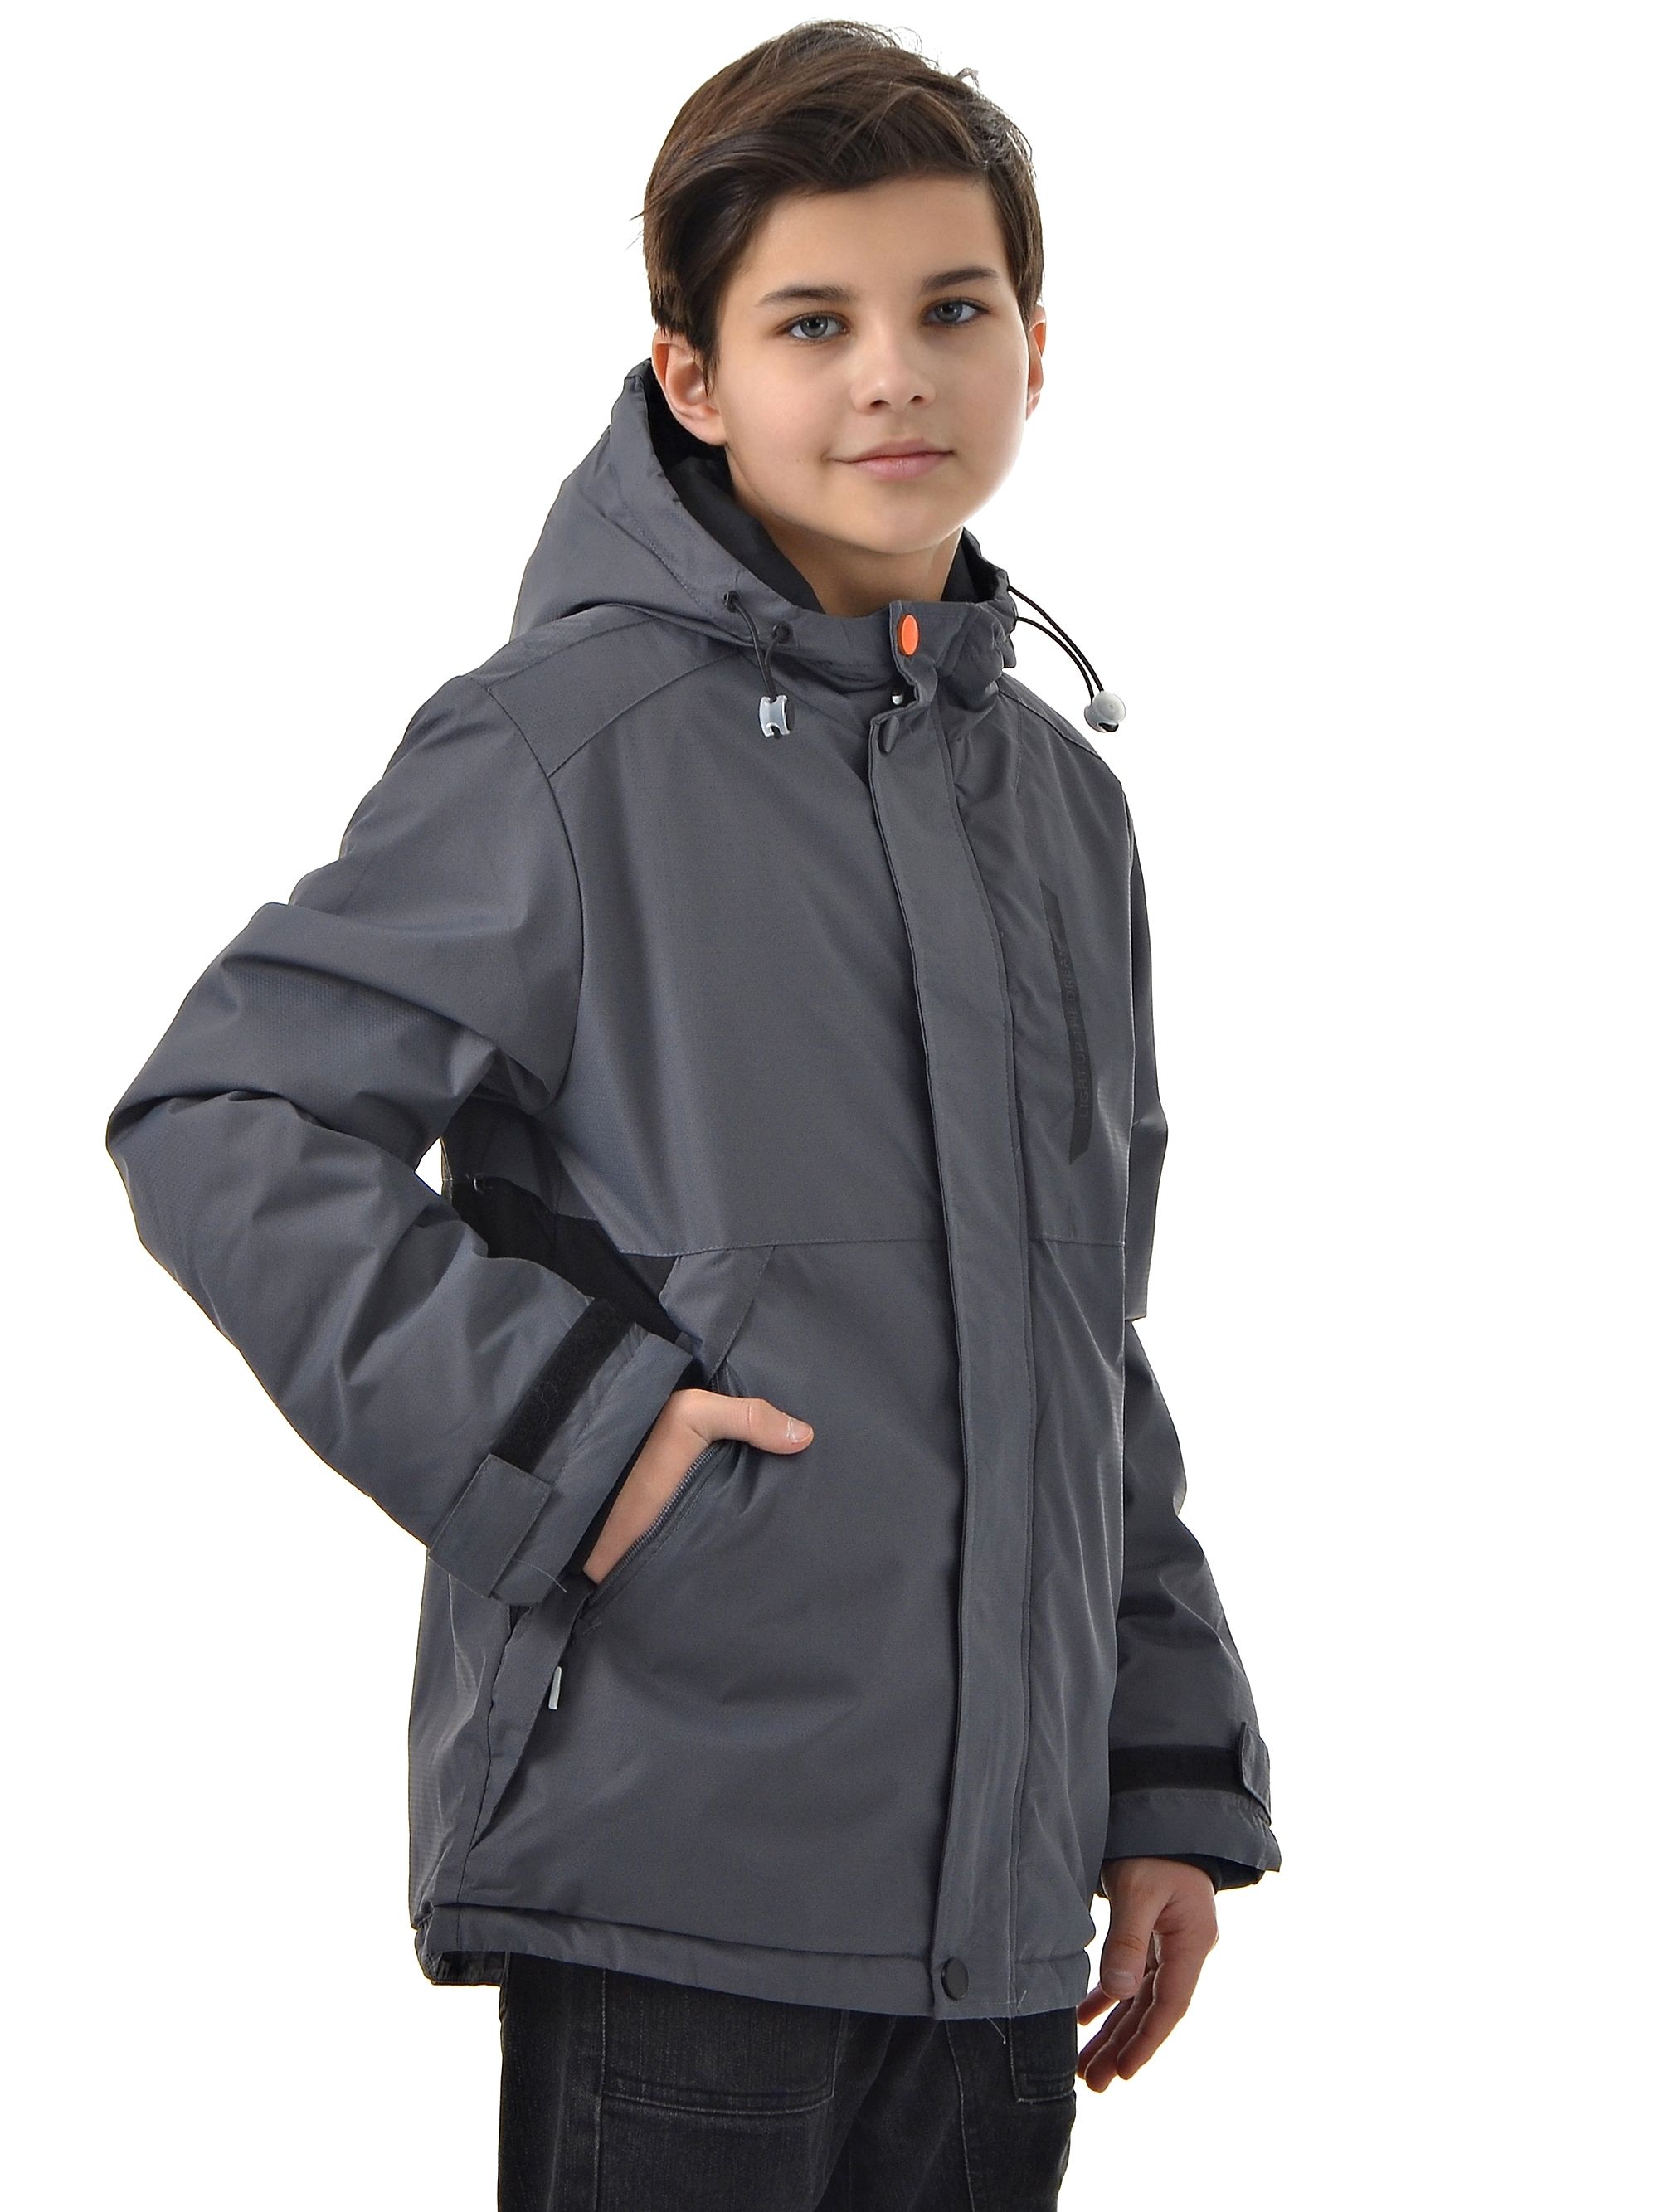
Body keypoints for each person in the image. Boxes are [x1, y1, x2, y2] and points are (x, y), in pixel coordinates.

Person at [105, 21, 1282, 2210]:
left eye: (951, 310)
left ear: (1037, 348)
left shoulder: (1061, 812)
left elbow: (1081, 1332)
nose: (894, 376)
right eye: (812, 323)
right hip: (679, 1861)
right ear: (693, 375)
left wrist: (1160, 1773)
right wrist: (580, 1427)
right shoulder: (569, 749)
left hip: (1002, 1918)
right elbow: (225, 1110)